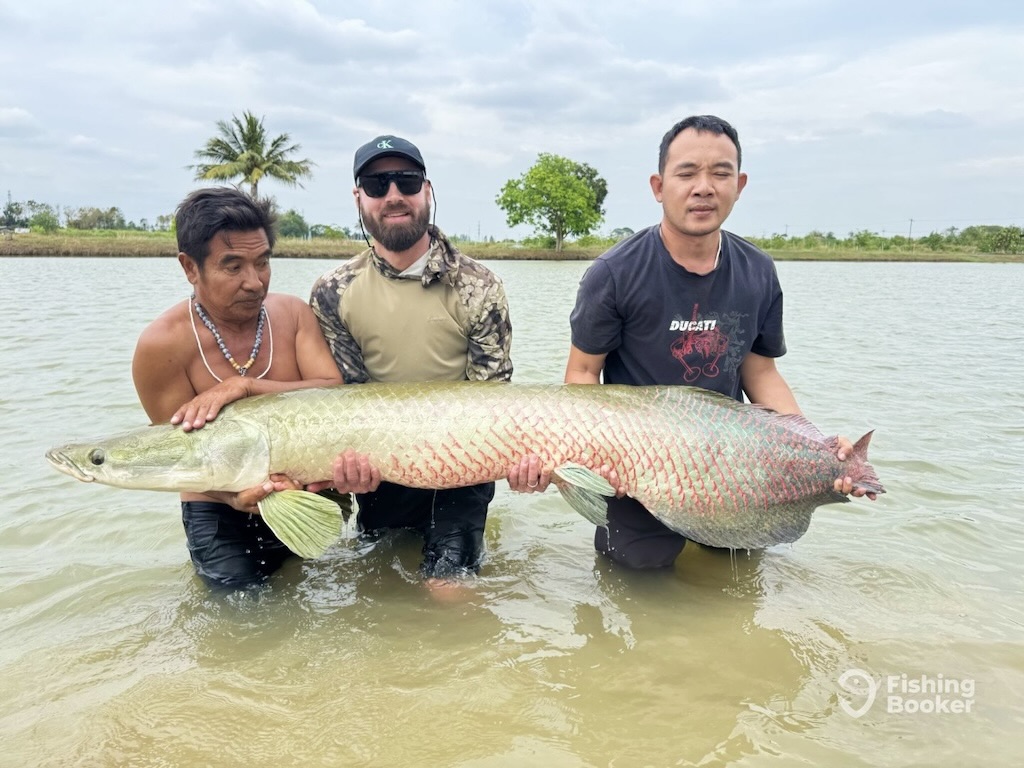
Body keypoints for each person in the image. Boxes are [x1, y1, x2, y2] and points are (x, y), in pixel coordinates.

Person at [508, 114, 875, 568]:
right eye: (687, 173)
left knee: (737, 586)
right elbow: (582, 374)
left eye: (720, 173)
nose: (704, 187)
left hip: (731, 463)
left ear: (739, 185)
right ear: (658, 186)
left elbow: (760, 373)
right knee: (636, 591)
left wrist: (820, 450)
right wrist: (590, 460)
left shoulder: (758, 270)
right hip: (634, 470)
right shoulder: (613, 274)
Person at [309, 135, 513, 587]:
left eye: (407, 181)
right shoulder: (332, 291)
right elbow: (345, 398)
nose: (394, 195)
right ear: (358, 197)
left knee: (447, 590)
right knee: (376, 585)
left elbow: (492, 401)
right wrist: (346, 467)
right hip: (378, 466)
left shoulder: (479, 286)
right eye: (377, 184)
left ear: (427, 190)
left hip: (464, 461)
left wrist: (521, 461)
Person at [132, 187, 343, 589]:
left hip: (305, 495)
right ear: (190, 268)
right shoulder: (161, 346)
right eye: (233, 267)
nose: (254, 282)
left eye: (262, 262)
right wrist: (233, 497)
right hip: (218, 512)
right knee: (240, 626)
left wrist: (245, 386)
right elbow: (180, 455)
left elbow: (332, 392)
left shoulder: (293, 314)